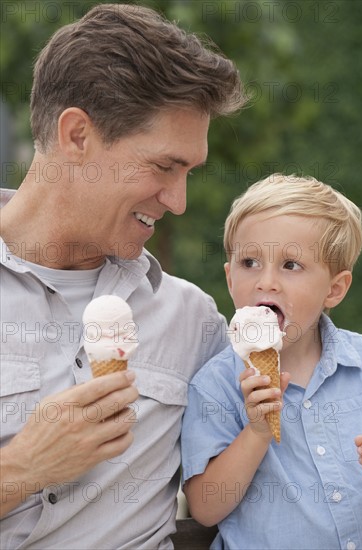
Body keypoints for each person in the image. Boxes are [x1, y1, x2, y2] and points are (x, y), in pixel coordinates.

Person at [0, 3, 247, 548]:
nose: (178, 202)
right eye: (163, 166)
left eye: (187, 172)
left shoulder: (194, 321)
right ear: (77, 135)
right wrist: (23, 467)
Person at [181, 173, 362, 549]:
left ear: (335, 289)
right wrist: (257, 432)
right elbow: (204, 507)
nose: (266, 282)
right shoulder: (215, 384)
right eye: (250, 262)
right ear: (230, 278)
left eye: (291, 265)